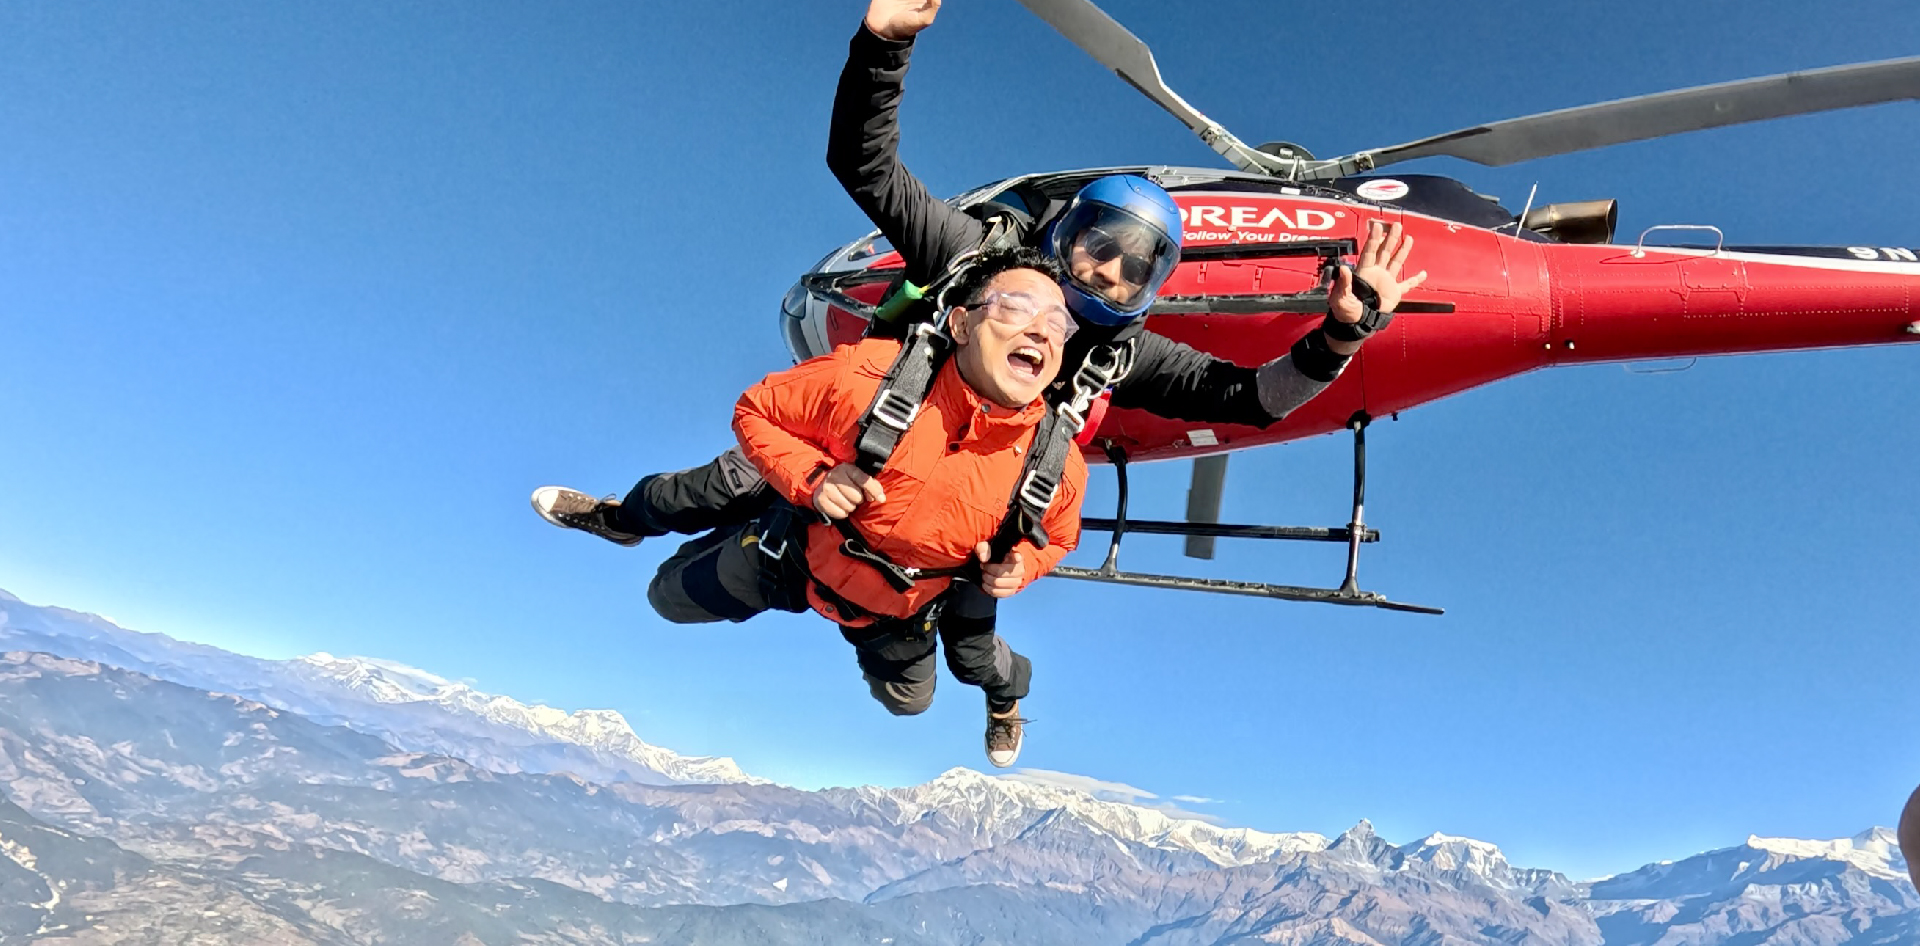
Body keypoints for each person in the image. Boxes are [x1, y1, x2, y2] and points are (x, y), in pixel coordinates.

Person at [533, 0, 1427, 549]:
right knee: (716, 487)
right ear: (1066, 231)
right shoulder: (971, 254)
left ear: (1151, 289)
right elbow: (868, 167)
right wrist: (883, 46)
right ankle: (621, 519)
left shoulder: (1124, 353)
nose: (1109, 269)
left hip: (950, 497)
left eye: (1134, 267)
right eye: (1101, 243)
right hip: (864, 431)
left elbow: (1254, 399)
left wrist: (1343, 332)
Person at [642, 248, 1086, 768]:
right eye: (1016, 307)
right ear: (962, 324)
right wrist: (809, 478)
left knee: (918, 696)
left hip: (902, 608)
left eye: (1057, 324)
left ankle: (1005, 703)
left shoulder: (1059, 464)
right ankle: (725, 514)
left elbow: (1059, 537)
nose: (1040, 331)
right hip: (799, 556)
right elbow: (756, 408)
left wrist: (1024, 566)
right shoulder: (867, 377)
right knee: (666, 597)